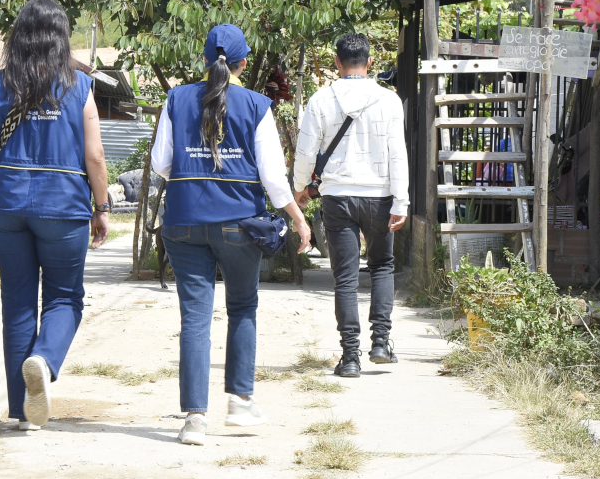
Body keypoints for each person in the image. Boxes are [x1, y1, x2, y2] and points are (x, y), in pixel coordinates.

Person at [152, 24, 311, 446]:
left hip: (183, 222)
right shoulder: (258, 106)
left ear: (204, 59)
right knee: (242, 307)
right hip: (240, 224)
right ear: (243, 63)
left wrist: (195, 169)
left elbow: (161, 165)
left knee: (195, 318)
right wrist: (297, 217)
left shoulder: (176, 99)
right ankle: (240, 402)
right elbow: (274, 179)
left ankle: (194, 420)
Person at [0, 0, 110, 430]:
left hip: (7, 203)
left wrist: (4, 142)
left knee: (18, 302)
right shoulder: (79, 87)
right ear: (61, 38)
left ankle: (21, 412)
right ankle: (43, 362)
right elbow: (96, 157)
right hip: (62, 204)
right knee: (64, 297)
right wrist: (102, 208)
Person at [293, 32, 408, 377]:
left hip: (337, 197)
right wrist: (400, 200)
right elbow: (397, 154)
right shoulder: (389, 101)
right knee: (382, 266)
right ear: (370, 62)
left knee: (344, 276)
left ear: (337, 63)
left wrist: (299, 188)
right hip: (380, 196)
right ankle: (381, 342)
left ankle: (350, 357)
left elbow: (305, 151)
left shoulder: (320, 100)